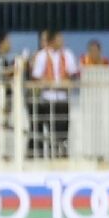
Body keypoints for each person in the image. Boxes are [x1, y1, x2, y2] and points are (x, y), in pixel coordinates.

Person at [28, 30, 80, 158]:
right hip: (47, 98)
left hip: (62, 98)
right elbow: (36, 76)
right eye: (58, 39)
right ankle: (46, 154)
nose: (61, 41)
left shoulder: (67, 54)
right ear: (52, 41)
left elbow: (74, 73)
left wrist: (68, 80)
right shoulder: (42, 55)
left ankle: (61, 154)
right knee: (48, 129)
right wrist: (46, 82)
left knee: (62, 130)